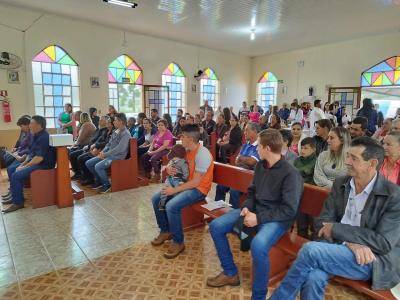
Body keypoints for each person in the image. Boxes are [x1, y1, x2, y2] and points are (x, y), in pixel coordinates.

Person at [270, 137, 400, 300]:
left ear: (372, 164)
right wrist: (349, 242)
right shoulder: (342, 182)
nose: (347, 162)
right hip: (336, 246)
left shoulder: (393, 195)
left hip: (371, 259)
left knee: (310, 250)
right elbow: (322, 220)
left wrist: (337, 230)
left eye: (354, 158)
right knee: (314, 276)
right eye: (347, 156)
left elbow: (383, 242)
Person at [206, 129, 303, 300]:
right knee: (216, 226)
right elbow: (252, 192)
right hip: (256, 210)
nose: (256, 148)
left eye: (258, 146)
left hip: (278, 218)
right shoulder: (260, 165)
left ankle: (258, 296)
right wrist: (247, 207)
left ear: (266, 148)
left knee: (258, 245)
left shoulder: (290, 174)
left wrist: (258, 218)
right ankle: (230, 273)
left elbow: (289, 209)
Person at [151, 124, 214, 259]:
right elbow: (174, 161)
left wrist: (174, 190)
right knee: (156, 199)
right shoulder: (186, 149)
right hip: (186, 185)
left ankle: (178, 242)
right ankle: (165, 231)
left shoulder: (202, 154)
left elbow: (196, 182)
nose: (180, 138)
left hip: (198, 189)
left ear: (190, 138)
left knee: (171, 206)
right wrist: (169, 168)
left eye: (183, 136)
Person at [2, 116, 56, 213]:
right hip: (36, 161)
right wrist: (23, 164)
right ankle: (15, 195)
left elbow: (39, 158)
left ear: (39, 125)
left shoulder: (44, 137)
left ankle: (18, 202)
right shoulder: (35, 134)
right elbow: (30, 154)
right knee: (13, 169)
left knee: (16, 175)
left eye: (31, 123)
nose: (29, 125)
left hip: (44, 165)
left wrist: (24, 166)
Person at [214, 122, 260, 209]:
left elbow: (252, 162)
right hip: (238, 173)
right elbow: (236, 161)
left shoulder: (259, 146)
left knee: (234, 189)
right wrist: (244, 159)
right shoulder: (246, 145)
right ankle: (217, 209)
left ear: (255, 131)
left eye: (247, 130)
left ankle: (233, 213)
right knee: (220, 186)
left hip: (250, 177)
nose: (244, 133)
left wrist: (242, 159)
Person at [85, 113, 131, 193]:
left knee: (98, 166)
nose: (113, 122)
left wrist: (105, 154)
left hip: (118, 156)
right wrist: (103, 151)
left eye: (115, 120)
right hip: (109, 154)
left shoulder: (126, 133)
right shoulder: (116, 131)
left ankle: (106, 185)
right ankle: (100, 181)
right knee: (88, 163)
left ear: (121, 121)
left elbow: (120, 149)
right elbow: (109, 143)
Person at [294, 137, 318, 239]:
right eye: (302, 148)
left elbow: (306, 171)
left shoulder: (316, 161)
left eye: (306, 148)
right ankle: (300, 245)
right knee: (301, 223)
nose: (303, 150)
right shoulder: (298, 160)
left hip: (312, 196)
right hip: (299, 195)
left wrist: (298, 172)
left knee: (313, 225)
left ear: (313, 149)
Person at [79, 117, 114, 186]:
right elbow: (99, 140)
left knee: (87, 161)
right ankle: (91, 177)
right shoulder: (106, 131)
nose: (107, 123)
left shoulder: (114, 132)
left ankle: (98, 180)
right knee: (82, 158)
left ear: (112, 124)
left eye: (108, 122)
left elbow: (109, 144)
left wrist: (101, 151)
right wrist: (93, 146)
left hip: (108, 153)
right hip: (100, 150)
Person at [158, 145, 189, 210]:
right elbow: (167, 166)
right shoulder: (172, 160)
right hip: (169, 179)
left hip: (178, 180)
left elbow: (186, 173)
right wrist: (166, 167)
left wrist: (183, 180)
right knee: (164, 190)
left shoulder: (183, 163)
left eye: (175, 158)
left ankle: (175, 204)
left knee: (176, 193)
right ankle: (162, 203)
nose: (173, 159)